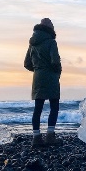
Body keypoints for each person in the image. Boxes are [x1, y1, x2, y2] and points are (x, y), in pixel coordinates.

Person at [24, 18, 62, 147]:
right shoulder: (51, 42)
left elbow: (26, 64)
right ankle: (50, 136)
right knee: (54, 106)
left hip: (38, 77)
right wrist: (57, 72)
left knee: (38, 108)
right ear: (50, 28)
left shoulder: (32, 44)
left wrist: (37, 70)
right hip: (50, 76)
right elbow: (55, 61)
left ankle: (36, 138)